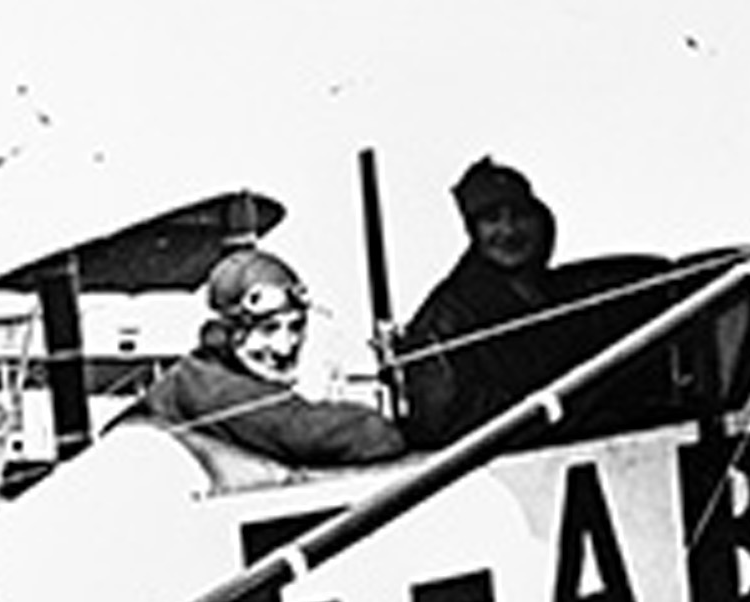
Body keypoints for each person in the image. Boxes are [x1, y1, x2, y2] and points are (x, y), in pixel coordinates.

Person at [139, 247, 406, 466]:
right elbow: (369, 436)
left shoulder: (198, 376)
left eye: (296, 326)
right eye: (268, 329)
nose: (285, 347)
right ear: (223, 334)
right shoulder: (213, 390)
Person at [394, 156, 561, 449]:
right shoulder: (446, 317)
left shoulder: (558, 293)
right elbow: (441, 419)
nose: (509, 231)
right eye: (492, 219)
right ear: (474, 231)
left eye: (519, 215)